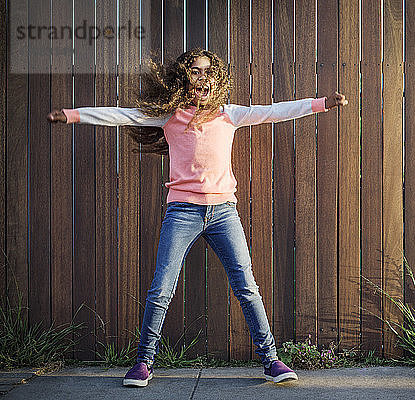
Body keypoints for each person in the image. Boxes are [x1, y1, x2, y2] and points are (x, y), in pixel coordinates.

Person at [47, 47, 348, 386]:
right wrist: (71, 115)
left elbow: (274, 112)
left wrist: (322, 103)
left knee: (247, 286)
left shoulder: (228, 114)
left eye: (207, 72)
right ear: (183, 79)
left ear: (216, 79)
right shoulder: (169, 116)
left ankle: (271, 360)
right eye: (194, 71)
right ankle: (143, 363)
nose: (201, 77)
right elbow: (122, 115)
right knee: (161, 289)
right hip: (182, 211)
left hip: (223, 213)